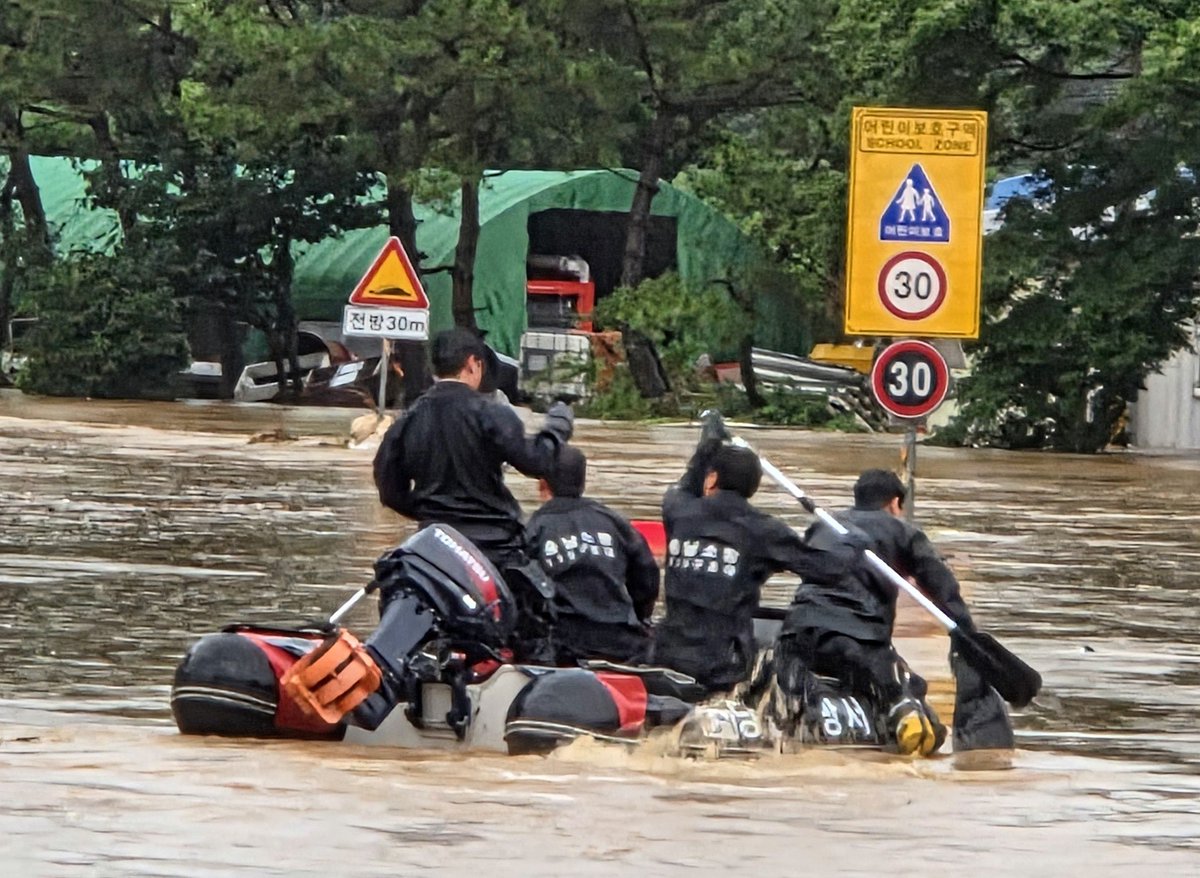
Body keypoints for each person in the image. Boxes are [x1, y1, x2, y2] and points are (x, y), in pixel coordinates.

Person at [777, 468, 1012, 755]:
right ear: (894, 504)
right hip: (858, 641)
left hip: (795, 633)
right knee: (912, 697)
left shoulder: (823, 527)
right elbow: (944, 590)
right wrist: (967, 637)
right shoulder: (904, 533)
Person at [654, 414, 855, 694]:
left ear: (712, 479)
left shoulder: (678, 510)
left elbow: (686, 486)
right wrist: (852, 544)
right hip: (724, 664)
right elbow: (828, 570)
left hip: (666, 652)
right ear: (753, 487)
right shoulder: (764, 530)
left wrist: (706, 448)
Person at [373, 327, 574, 570]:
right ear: (472, 364)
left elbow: (389, 489)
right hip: (495, 547)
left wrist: (430, 511)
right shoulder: (491, 413)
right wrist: (558, 426)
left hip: (433, 546)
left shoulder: (407, 420)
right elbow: (536, 461)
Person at [525, 445, 660, 665]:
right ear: (583, 481)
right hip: (622, 643)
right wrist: (640, 616)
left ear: (542, 484)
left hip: (564, 646)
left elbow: (524, 594)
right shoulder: (616, 522)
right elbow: (647, 577)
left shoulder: (532, 531)